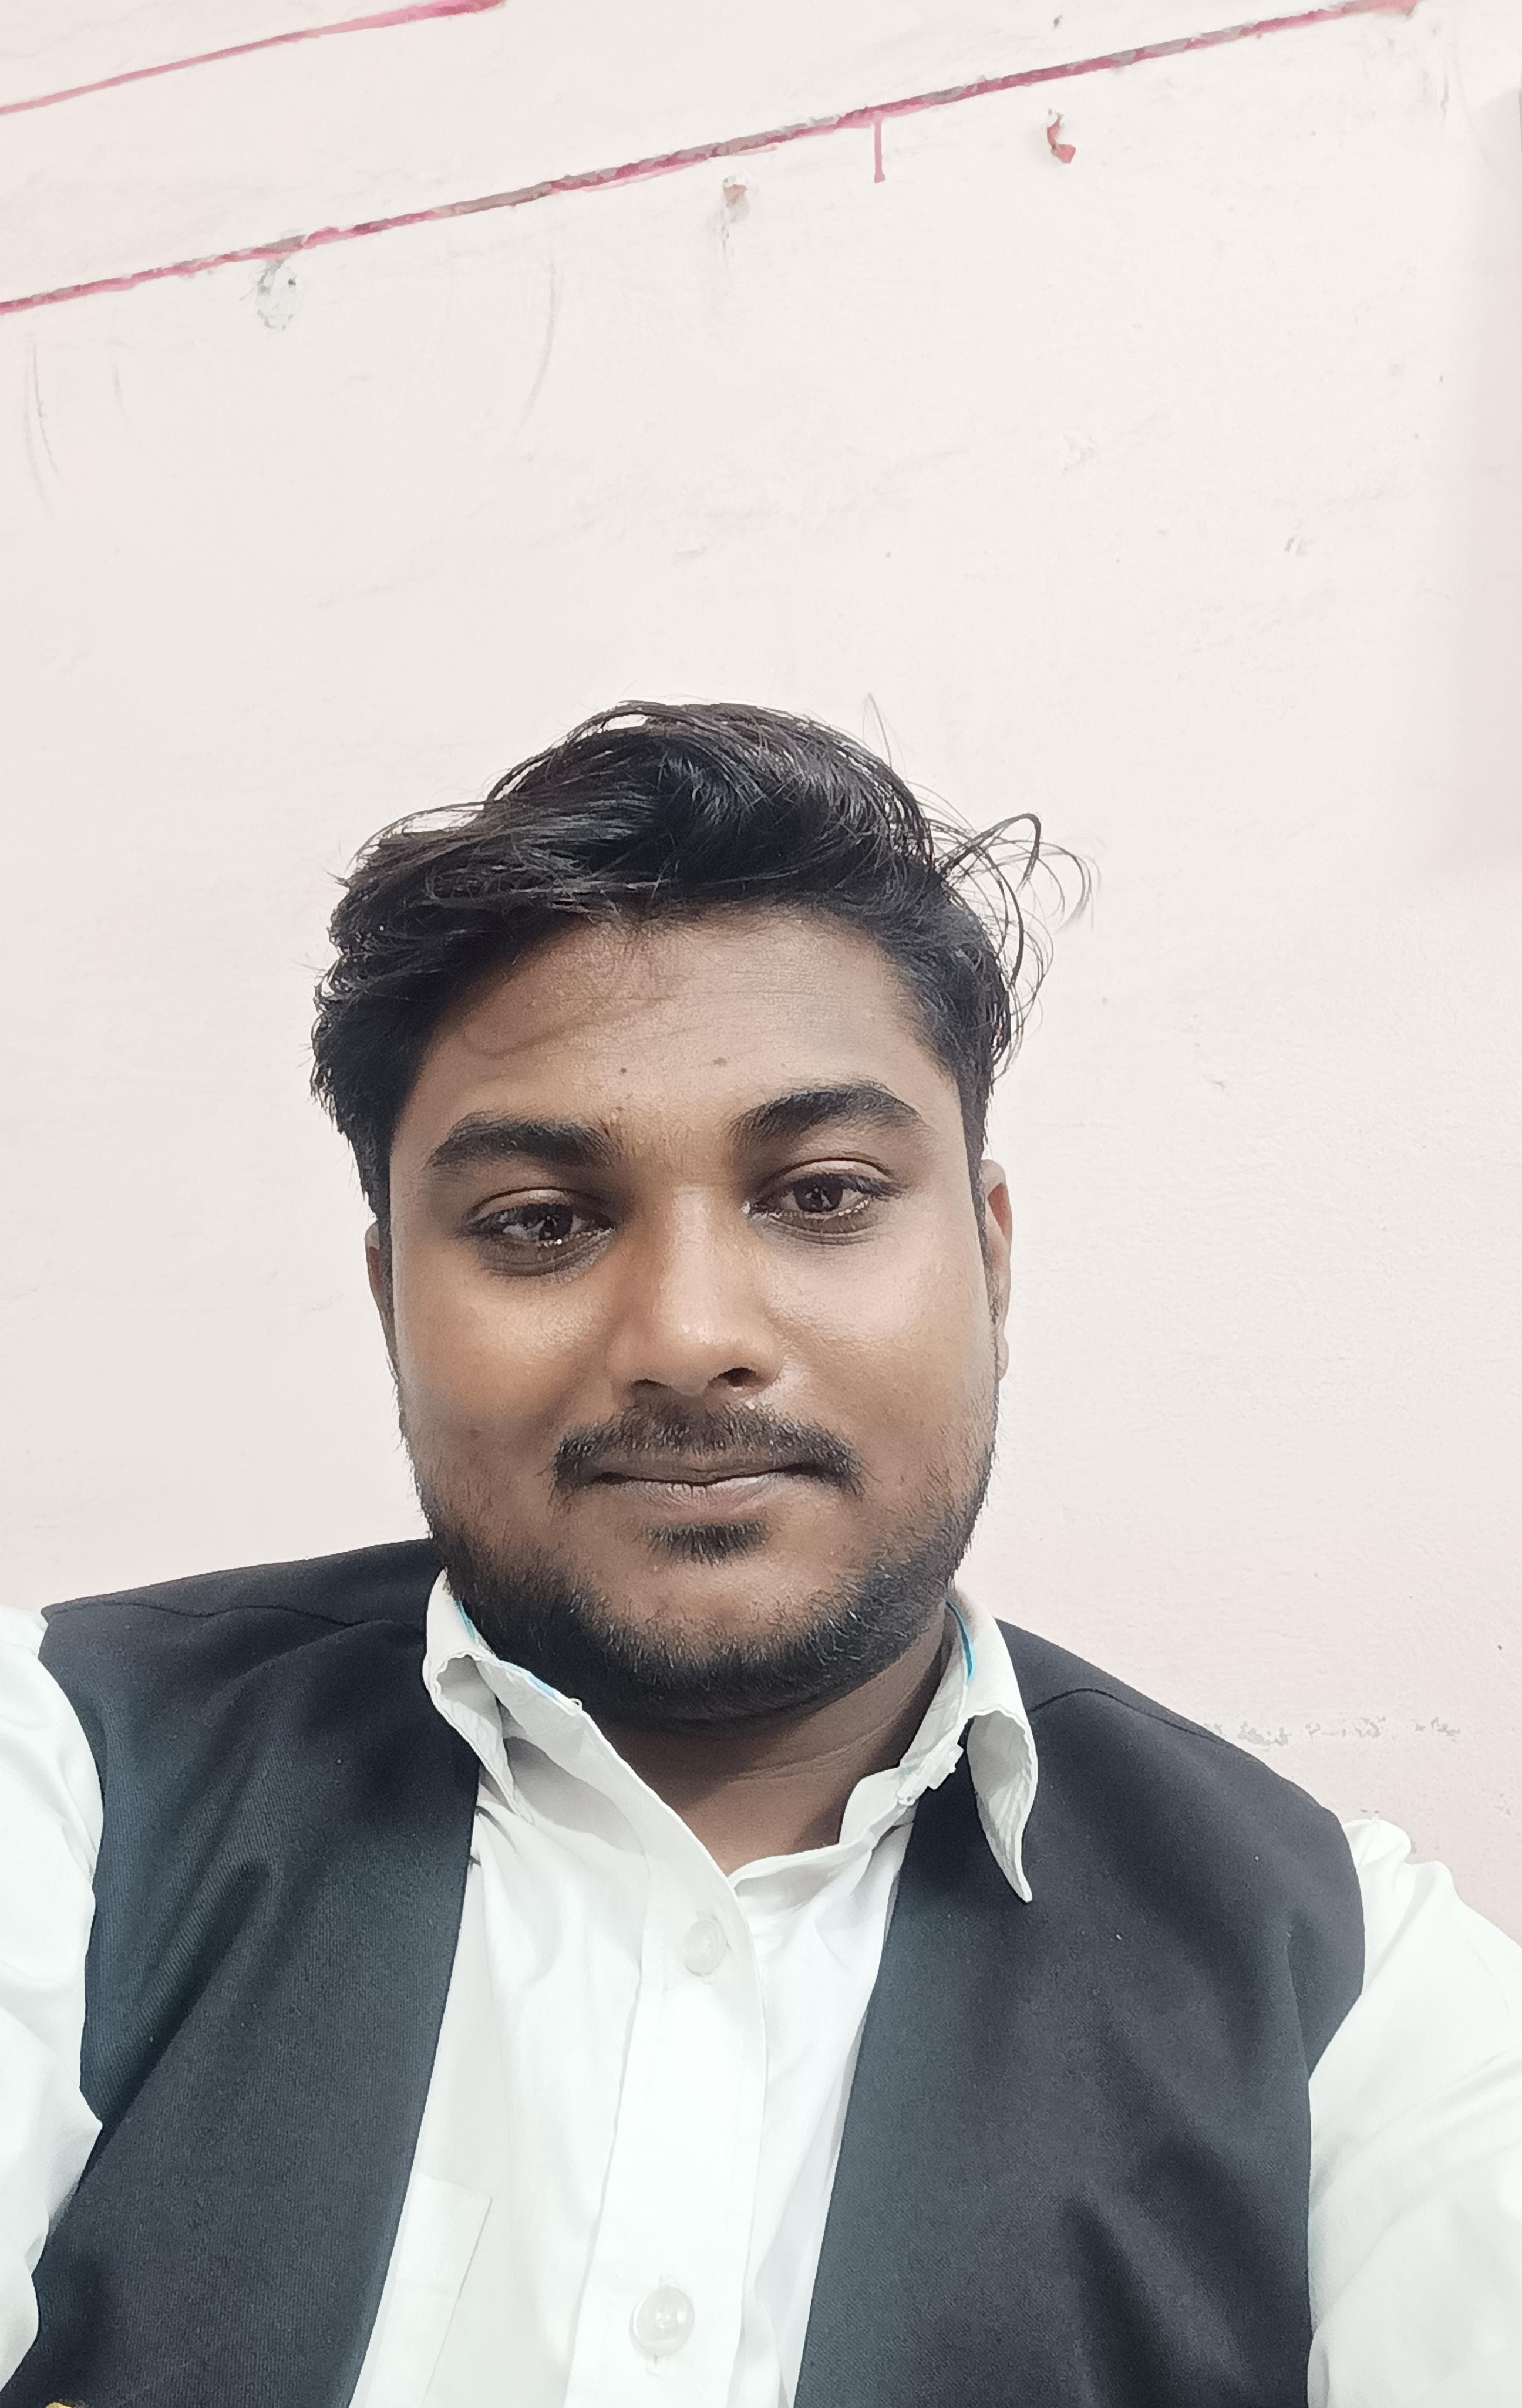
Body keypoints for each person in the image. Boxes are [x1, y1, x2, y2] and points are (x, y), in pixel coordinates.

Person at [2, 702, 1519, 2408]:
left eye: (820, 1194)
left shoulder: (1351, 1990)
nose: (692, 1336)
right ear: (390, 1300)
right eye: (539, 1222)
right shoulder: (67, 1781)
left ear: (990, 1258)